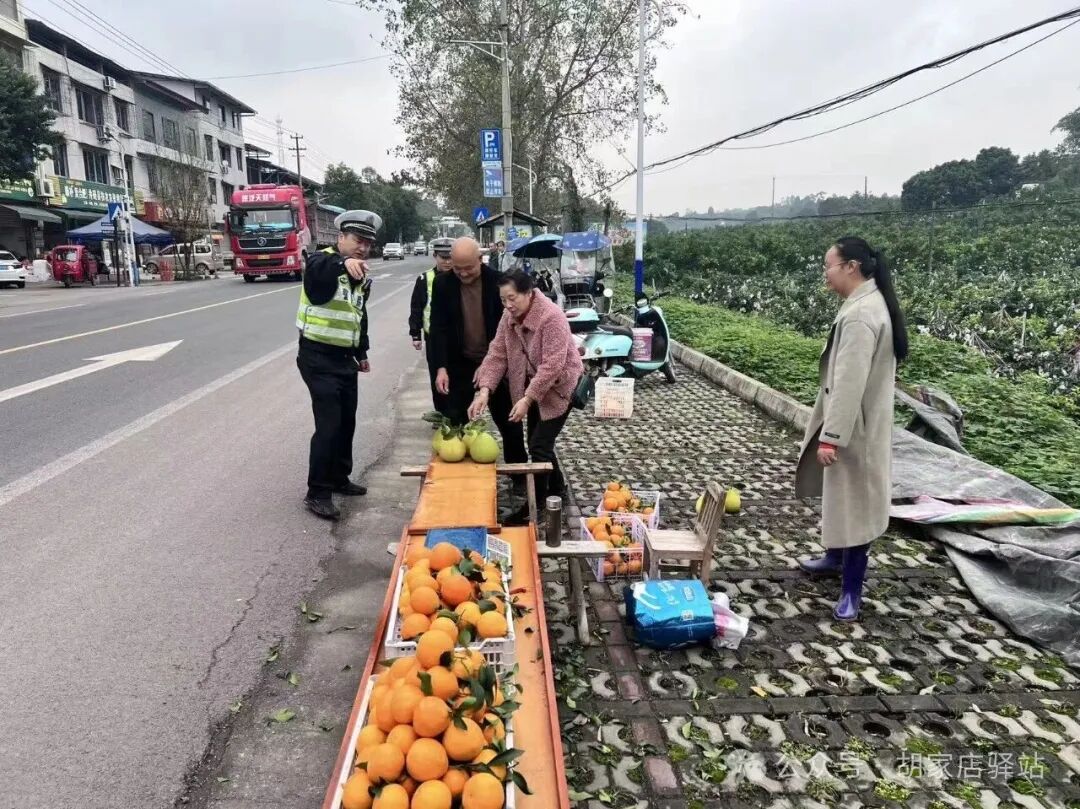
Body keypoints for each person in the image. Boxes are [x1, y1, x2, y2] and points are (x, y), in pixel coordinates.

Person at [794, 236, 909, 621]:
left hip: (854, 428)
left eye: (829, 266)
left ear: (851, 267)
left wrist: (831, 437)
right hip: (861, 424)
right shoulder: (868, 303)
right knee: (841, 497)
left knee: (855, 505)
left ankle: (851, 592)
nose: (825, 274)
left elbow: (849, 383)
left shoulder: (861, 314)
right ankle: (833, 557)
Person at [469, 269, 584, 522]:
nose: (507, 305)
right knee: (538, 441)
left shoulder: (551, 317)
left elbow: (552, 366)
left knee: (538, 445)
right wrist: (484, 390)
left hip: (558, 387)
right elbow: (497, 353)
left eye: (512, 298)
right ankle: (558, 490)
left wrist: (527, 399)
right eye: (503, 299)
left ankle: (539, 506)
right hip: (532, 386)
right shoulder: (509, 316)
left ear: (529, 293)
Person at [296, 209, 381, 521]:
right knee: (329, 424)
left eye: (368, 244)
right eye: (358, 240)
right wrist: (344, 262)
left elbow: (358, 314)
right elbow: (320, 265)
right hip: (317, 358)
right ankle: (317, 492)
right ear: (341, 238)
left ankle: (339, 478)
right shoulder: (323, 261)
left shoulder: (358, 275)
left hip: (345, 359)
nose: (362, 248)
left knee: (347, 422)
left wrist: (362, 352)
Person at [430, 237, 526, 463]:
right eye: (457, 268)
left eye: (468, 268)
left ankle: (518, 469)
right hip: (459, 361)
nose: (462, 274)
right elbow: (438, 328)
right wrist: (441, 368)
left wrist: (489, 364)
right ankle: (458, 473)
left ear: (480, 260)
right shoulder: (442, 284)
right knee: (455, 420)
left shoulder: (498, 282)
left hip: (496, 361)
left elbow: (509, 326)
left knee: (508, 418)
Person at [409, 237, 454, 413]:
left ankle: (456, 412)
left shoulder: (461, 276)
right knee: (437, 374)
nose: (448, 261)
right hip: (434, 337)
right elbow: (416, 307)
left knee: (457, 376)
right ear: (435, 256)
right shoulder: (424, 278)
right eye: (443, 257)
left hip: (457, 337)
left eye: (451, 257)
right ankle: (441, 412)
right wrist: (415, 334)